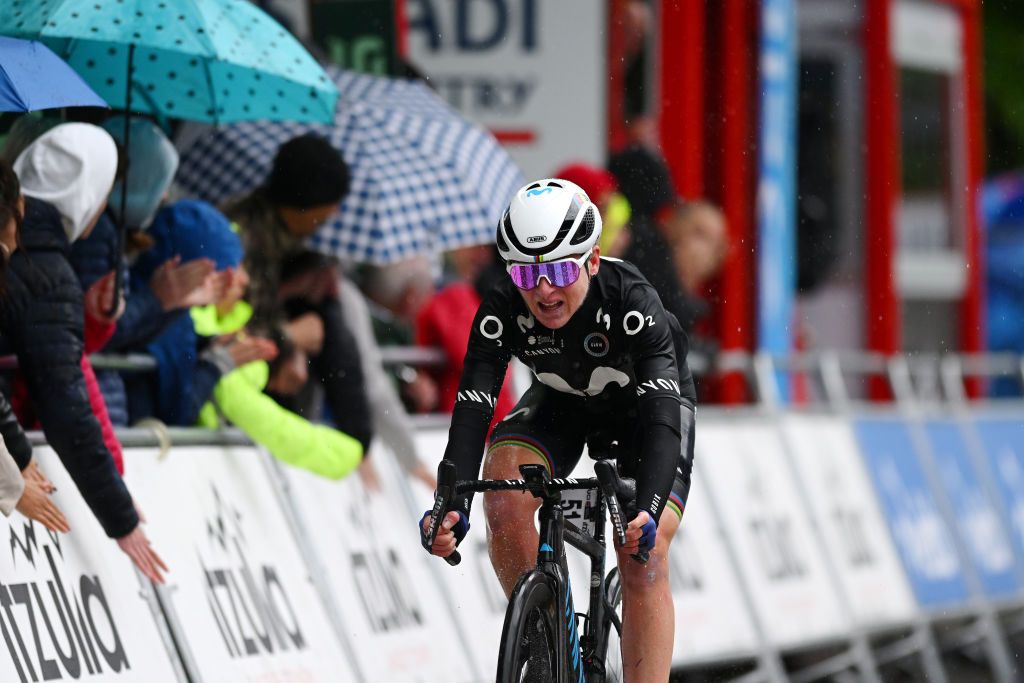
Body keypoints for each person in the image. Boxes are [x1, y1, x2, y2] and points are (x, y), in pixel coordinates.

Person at [420, 179, 697, 681]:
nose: (544, 291)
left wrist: (650, 509)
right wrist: (451, 502)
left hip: (644, 411)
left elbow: (661, 418)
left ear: (592, 260)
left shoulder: (632, 301)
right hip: (562, 402)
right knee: (502, 496)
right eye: (527, 274)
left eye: (560, 270)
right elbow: (473, 406)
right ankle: (546, 649)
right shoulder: (502, 306)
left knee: (644, 555)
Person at [4, 124, 166, 582]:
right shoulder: (48, 274)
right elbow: (66, 408)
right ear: (86, 194)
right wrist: (121, 518)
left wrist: (92, 320)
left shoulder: (37, 262)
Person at [222, 133, 372, 455]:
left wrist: (293, 350)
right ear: (306, 200)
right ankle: (355, 443)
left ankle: (357, 441)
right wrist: (289, 339)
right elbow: (228, 333)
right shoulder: (241, 238)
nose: (332, 214)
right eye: (328, 205)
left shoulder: (283, 239)